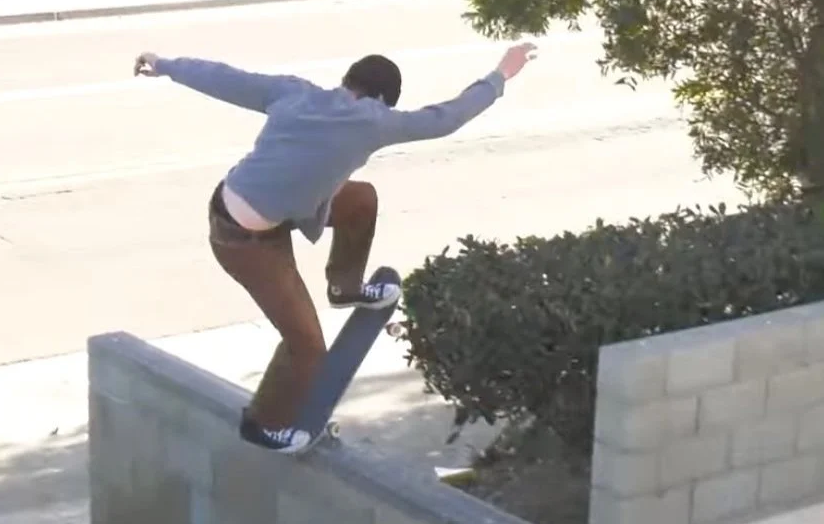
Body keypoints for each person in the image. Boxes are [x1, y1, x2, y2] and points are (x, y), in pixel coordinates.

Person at [133, 41, 538, 452]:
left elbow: (226, 79)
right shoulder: (377, 121)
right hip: (244, 243)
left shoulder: (293, 91)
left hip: (245, 203)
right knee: (307, 347)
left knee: (361, 199)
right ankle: (261, 424)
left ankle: (345, 286)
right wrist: (501, 74)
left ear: (347, 81)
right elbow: (448, 117)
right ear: (383, 99)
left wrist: (166, 65)